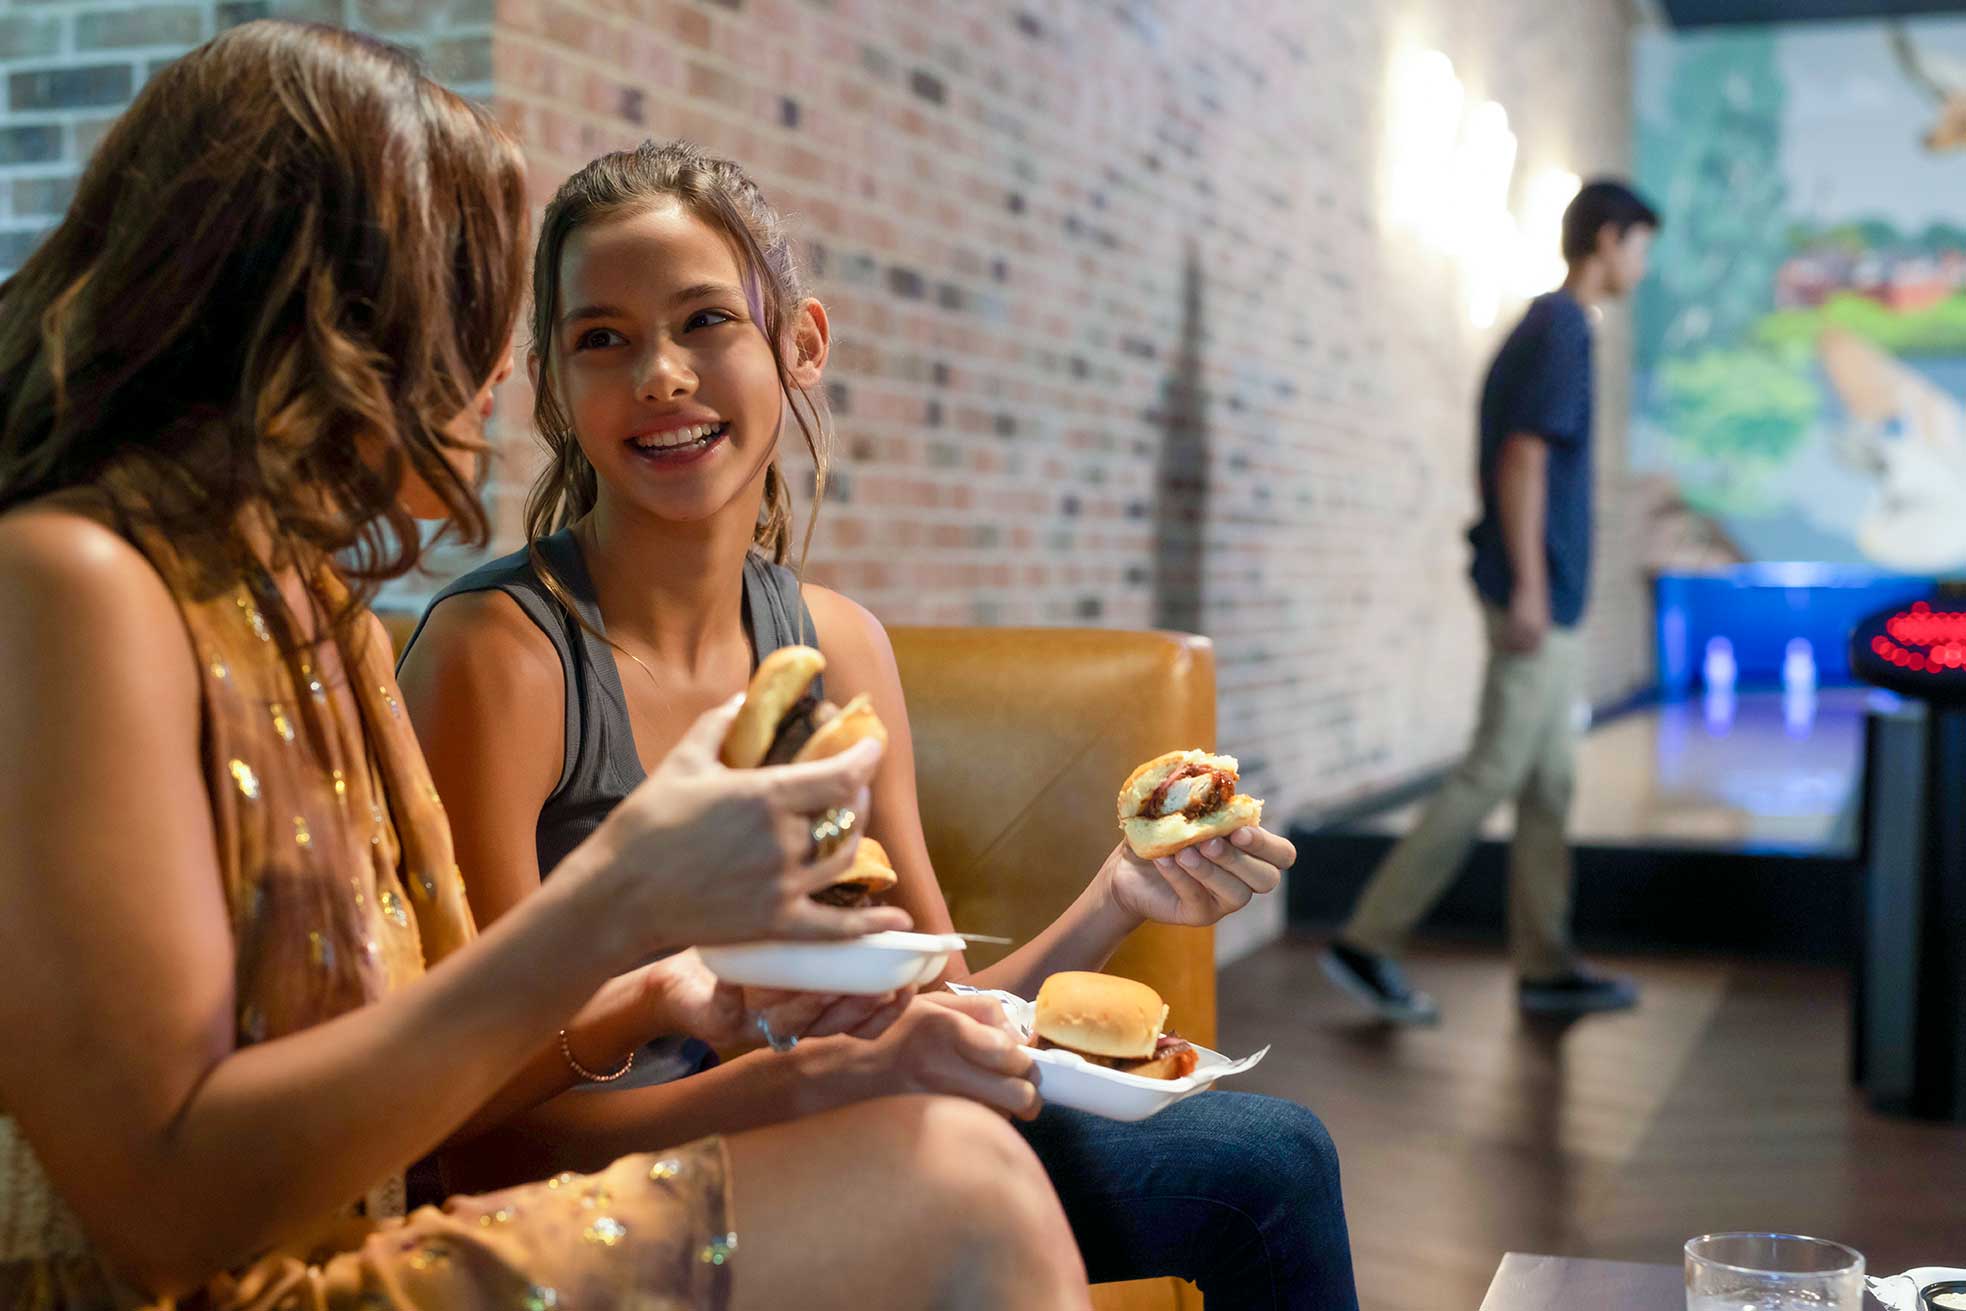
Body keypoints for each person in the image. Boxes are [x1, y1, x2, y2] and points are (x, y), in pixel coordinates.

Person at [0, 25, 1092, 1309]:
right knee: (965, 1188)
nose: (500, 372)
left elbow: (434, 1059)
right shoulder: (72, 583)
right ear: (331, 314)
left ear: (801, 343)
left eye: (701, 322)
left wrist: (678, 997)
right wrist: (624, 904)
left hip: (376, 1227)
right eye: (468, 299)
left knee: (996, 1163)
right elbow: (164, 1212)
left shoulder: (318, 619)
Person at [398, 139, 1360, 1311]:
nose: (659, 374)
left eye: (705, 321)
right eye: (603, 338)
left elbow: (939, 1011)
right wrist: (825, 1087)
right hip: (610, 1203)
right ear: (550, 382)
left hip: (849, 1129)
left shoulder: (837, 646)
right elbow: (476, 1140)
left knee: (1273, 1159)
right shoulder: (499, 659)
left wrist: (1119, 897)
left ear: (800, 341)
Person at [1320, 179, 1660, 1026]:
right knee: (1494, 770)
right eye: (1641, 246)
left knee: (1550, 781)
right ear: (1609, 239)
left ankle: (1545, 963)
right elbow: (1521, 459)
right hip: (1536, 599)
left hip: (1553, 600)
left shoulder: (1553, 327)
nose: (1644, 266)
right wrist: (1534, 588)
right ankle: (1367, 939)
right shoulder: (1561, 328)